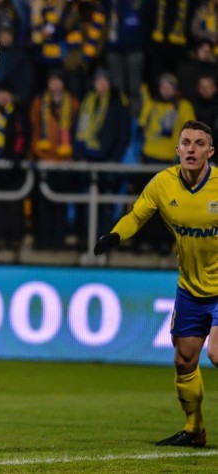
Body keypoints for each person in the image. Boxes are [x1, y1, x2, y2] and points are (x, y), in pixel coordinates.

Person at [94, 120, 217, 448]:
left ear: (210, 152)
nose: (191, 149)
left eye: (199, 143)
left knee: (217, 353)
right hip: (191, 289)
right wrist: (116, 235)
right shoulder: (163, 184)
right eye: (186, 143)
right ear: (177, 149)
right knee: (184, 360)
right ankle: (194, 430)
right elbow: (137, 215)